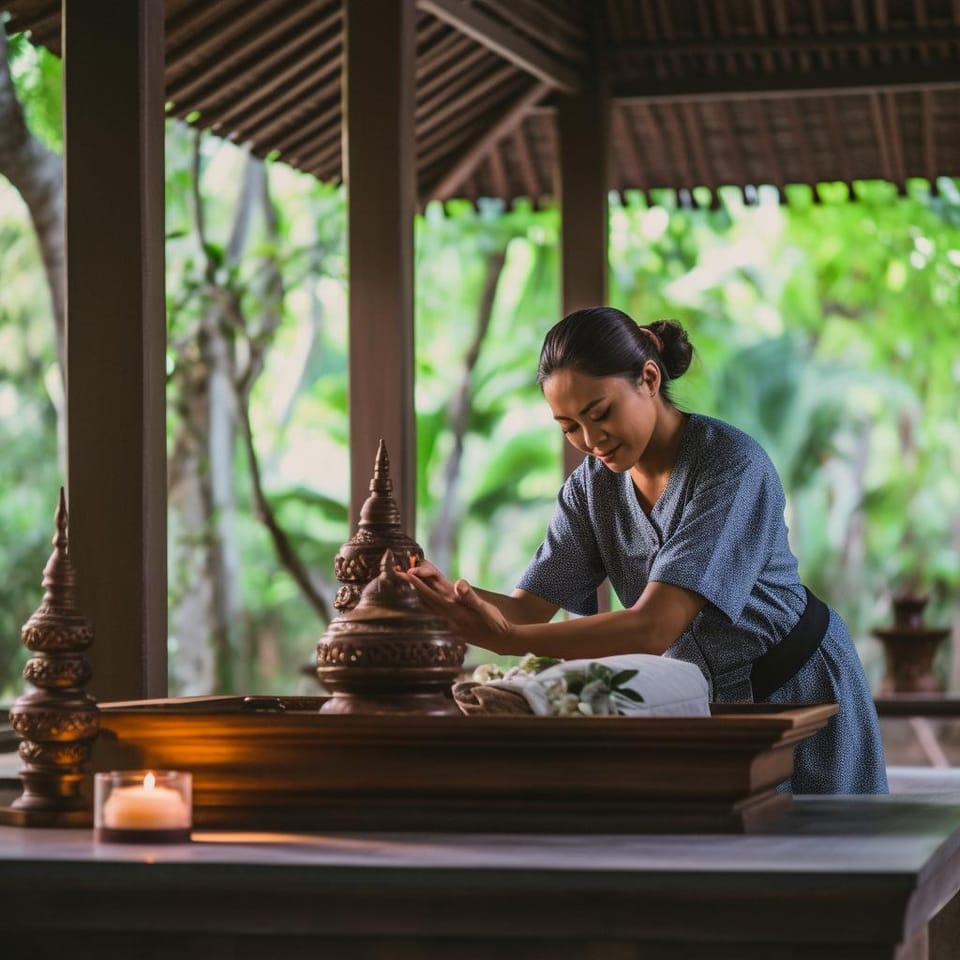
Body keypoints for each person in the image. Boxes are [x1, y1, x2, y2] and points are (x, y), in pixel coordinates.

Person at [406, 306, 888, 795]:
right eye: (569, 426)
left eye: (600, 413)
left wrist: (508, 638)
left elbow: (654, 626)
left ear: (649, 379)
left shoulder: (730, 464)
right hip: (708, 703)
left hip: (801, 686)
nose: (590, 440)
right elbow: (527, 610)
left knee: (823, 857)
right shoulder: (591, 490)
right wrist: (438, 597)